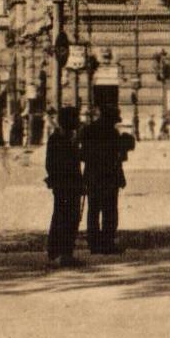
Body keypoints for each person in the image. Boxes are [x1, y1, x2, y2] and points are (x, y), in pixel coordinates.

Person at [80, 102, 131, 254]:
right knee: (109, 211)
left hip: (93, 175)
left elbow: (82, 154)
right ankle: (107, 243)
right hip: (108, 176)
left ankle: (94, 244)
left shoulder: (88, 130)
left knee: (94, 210)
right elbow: (119, 158)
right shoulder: (112, 133)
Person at [45, 106, 83, 266]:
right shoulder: (58, 139)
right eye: (75, 118)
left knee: (68, 216)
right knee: (66, 216)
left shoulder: (66, 138)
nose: (78, 121)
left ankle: (60, 251)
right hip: (66, 184)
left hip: (68, 184)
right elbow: (52, 163)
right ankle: (62, 253)